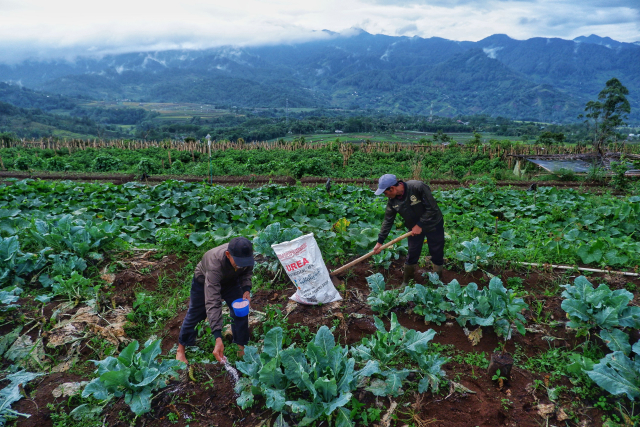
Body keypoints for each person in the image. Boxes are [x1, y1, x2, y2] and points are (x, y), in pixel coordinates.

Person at [176, 237, 254, 365]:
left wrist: (246, 289)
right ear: (228, 255)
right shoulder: (215, 264)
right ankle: (181, 349)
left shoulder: (245, 255)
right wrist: (218, 337)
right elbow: (213, 302)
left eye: (245, 262)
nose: (243, 265)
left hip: (230, 281)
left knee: (240, 309)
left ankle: (241, 347)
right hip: (204, 282)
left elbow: (247, 272)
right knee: (196, 313)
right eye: (239, 262)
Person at [372, 174, 445, 285]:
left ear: (392, 188)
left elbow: (432, 208)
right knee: (412, 252)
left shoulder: (417, 187)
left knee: (436, 252)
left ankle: (437, 283)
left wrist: (419, 225)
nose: (386, 195)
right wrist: (379, 242)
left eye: (385, 193)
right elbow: (388, 221)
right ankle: (407, 283)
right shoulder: (393, 201)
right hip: (413, 229)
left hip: (433, 224)